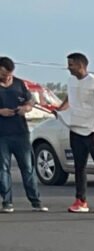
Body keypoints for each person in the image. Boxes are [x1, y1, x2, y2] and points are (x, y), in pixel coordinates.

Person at [57, 52, 94, 215]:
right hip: (76, 129)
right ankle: (81, 200)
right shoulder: (71, 81)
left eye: (71, 64)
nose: (68, 68)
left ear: (81, 65)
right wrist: (60, 109)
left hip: (92, 131)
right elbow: (70, 98)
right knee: (79, 166)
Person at [0, 57, 46, 214]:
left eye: (10, 74)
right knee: (3, 169)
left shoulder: (19, 84)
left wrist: (27, 107)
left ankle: (36, 201)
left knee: (28, 167)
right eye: (4, 74)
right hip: (2, 135)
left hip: (20, 133)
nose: (7, 77)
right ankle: (7, 202)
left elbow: (31, 100)